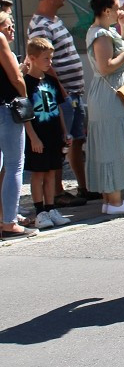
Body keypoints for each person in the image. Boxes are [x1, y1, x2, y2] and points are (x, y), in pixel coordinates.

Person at [27, 0, 90, 206]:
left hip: (73, 91)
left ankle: (83, 187)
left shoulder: (55, 20)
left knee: (77, 140)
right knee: (63, 142)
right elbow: (45, 60)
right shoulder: (41, 25)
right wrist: (61, 88)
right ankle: (57, 193)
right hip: (62, 93)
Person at [84, 0, 124, 216]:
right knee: (114, 145)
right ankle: (116, 202)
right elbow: (106, 66)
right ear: (107, 10)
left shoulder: (105, 31)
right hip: (110, 96)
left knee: (112, 144)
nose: (120, 11)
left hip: (111, 95)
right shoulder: (101, 34)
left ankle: (111, 200)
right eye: (117, 8)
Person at [23, 37, 72, 229]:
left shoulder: (51, 80)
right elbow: (25, 113)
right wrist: (33, 136)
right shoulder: (25, 82)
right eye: (46, 59)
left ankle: (51, 208)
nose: (49, 62)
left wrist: (64, 131)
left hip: (53, 133)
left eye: (51, 58)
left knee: (52, 172)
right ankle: (40, 211)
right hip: (37, 135)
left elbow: (58, 108)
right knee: (39, 173)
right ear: (33, 58)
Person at [0, 13, 32, 238]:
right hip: (5, 108)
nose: (11, 29)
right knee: (14, 165)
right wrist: (24, 95)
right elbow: (15, 79)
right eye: (7, 25)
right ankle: (9, 223)